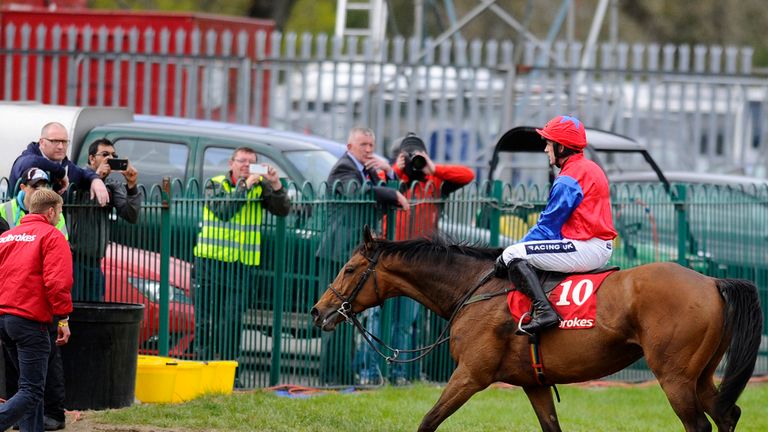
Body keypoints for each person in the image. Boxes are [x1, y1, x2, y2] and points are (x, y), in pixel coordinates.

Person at [495, 115, 617, 335]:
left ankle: (545, 312)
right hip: (598, 245)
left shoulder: (568, 179)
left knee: (514, 253)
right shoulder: (591, 168)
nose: (545, 150)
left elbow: (546, 228)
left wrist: (510, 253)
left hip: (586, 247)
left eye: (548, 143)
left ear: (561, 147)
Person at [319, 126, 409, 386]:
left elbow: (378, 191)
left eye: (371, 145)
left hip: (354, 255)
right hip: (338, 252)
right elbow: (356, 192)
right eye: (363, 145)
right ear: (350, 147)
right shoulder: (344, 169)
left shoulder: (365, 170)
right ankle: (329, 379)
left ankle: (344, 377)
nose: (369, 150)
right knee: (333, 314)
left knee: (349, 316)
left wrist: (388, 173)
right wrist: (389, 193)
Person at [193, 147, 289, 384]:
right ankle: (202, 373)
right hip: (209, 264)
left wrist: (275, 184)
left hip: (240, 266)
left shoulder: (260, 187)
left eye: (251, 162)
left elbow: (282, 210)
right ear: (231, 163)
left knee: (232, 321)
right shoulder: (215, 184)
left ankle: (229, 375)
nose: (246, 165)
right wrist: (244, 187)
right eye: (242, 161)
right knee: (206, 321)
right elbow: (224, 212)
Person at [389, 133, 475, 383]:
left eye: (419, 156)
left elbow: (467, 175)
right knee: (382, 319)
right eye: (411, 157)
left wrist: (433, 167)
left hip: (422, 260)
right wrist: (400, 167)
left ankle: (406, 374)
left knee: (410, 322)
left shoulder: (435, 179)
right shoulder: (398, 178)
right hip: (393, 255)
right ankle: (380, 372)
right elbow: (386, 180)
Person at [0, 168, 69, 431]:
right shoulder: (52, 237)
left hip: (5, 320)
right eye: (59, 211)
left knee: (31, 388)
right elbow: (58, 283)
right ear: (50, 211)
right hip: (31, 322)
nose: (60, 216)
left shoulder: (7, 237)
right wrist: (63, 319)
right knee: (31, 390)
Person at [67, 138, 142, 301]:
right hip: (74, 260)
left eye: (114, 155)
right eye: (105, 154)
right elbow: (75, 207)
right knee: (74, 312)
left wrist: (132, 186)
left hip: (95, 262)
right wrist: (96, 178)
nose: (110, 158)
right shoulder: (78, 180)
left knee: (94, 312)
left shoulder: (112, 186)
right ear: (92, 158)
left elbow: (131, 215)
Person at [9, 122, 109, 207]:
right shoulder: (26, 159)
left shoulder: (66, 165)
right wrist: (60, 172)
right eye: (55, 141)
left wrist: (95, 179)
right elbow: (30, 162)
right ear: (42, 142)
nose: (61, 146)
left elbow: (83, 174)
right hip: (20, 226)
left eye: (64, 142)